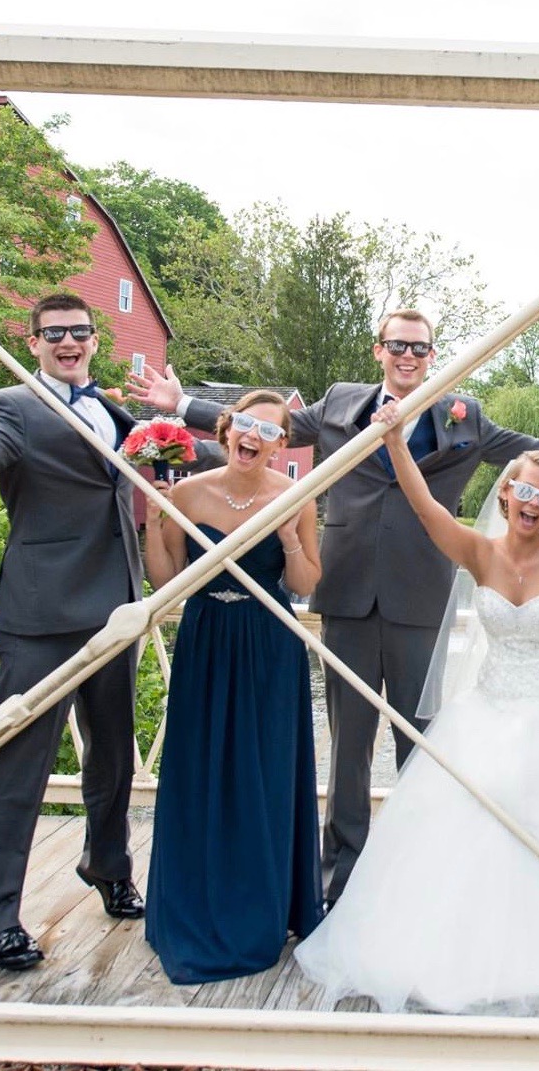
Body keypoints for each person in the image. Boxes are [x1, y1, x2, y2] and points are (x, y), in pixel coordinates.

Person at [293, 403, 539, 1014]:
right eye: (523, 490)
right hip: (488, 713)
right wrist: (395, 442)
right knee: (471, 814)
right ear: (505, 493)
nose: (532, 503)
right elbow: (426, 509)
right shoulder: (478, 552)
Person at [252, 308, 539, 906]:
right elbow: (272, 426)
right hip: (347, 592)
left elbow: (537, 450)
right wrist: (182, 408)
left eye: (420, 348)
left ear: (433, 355)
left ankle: (417, 873)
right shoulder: (339, 402)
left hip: (421, 597)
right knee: (348, 747)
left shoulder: (464, 417)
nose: (408, 356)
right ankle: (343, 879)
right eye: (397, 346)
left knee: (421, 744)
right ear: (379, 350)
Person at [0, 292, 224, 971]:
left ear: (93, 340)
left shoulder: (112, 409)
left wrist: (203, 427)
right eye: (54, 334)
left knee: (112, 755)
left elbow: (202, 454)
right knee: (20, 764)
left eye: (79, 331)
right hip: (41, 613)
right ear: (33, 343)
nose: (68, 342)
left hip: (116, 606)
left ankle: (108, 867)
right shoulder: (13, 406)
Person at [141, 391, 324, 984]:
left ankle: (264, 904)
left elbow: (304, 583)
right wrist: (155, 520)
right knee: (201, 771)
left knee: (265, 774)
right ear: (226, 429)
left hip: (270, 644)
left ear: (280, 443)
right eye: (245, 424)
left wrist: (290, 534)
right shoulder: (189, 493)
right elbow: (166, 580)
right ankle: (196, 900)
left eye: (268, 431)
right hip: (207, 640)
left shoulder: (297, 494)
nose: (253, 436)